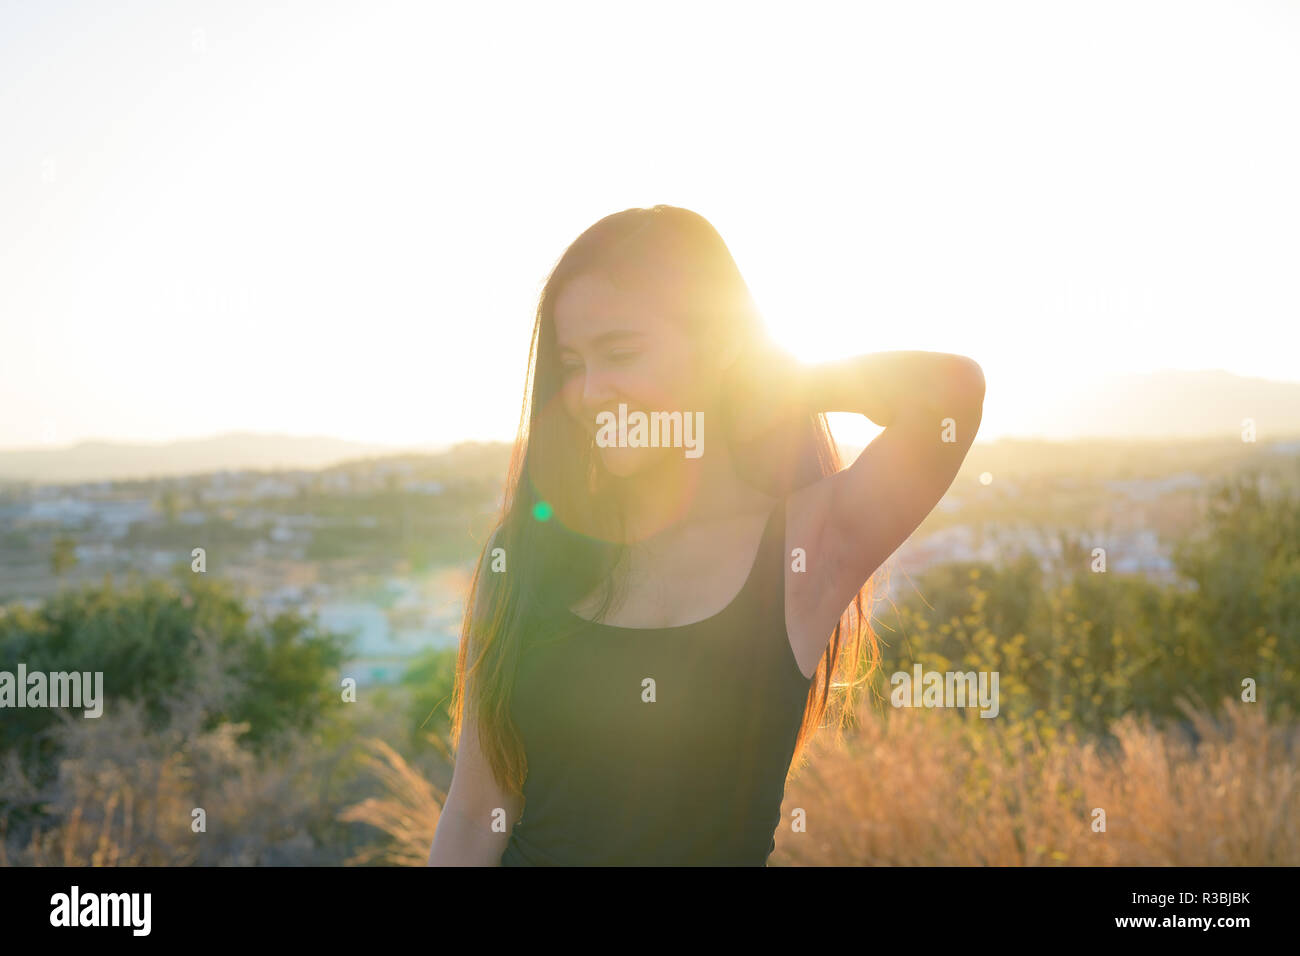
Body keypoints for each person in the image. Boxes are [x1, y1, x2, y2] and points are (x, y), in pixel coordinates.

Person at [428, 205, 985, 866]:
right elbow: (473, 813)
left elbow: (951, 392)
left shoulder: (805, 548)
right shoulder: (527, 551)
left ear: (719, 346)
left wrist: (772, 381)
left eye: (621, 353)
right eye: (572, 362)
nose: (588, 391)